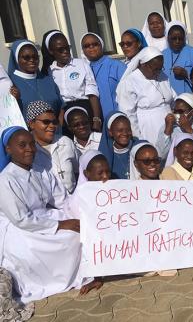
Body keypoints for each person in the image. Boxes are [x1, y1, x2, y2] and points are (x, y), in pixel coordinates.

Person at [0, 126, 98, 303]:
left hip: (45, 217)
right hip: (20, 229)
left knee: (80, 232)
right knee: (59, 242)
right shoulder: (5, 180)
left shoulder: (41, 170)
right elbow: (21, 219)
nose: (29, 149)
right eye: (22, 145)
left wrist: (78, 215)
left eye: (32, 144)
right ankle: (70, 279)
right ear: (8, 149)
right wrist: (61, 225)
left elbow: (62, 199)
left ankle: (91, 271)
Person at [41, 30, 102, 132]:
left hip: (85, 109)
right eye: (60, 50)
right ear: (51, 51)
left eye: (67, 48)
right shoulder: (49, 71)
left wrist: (96, 120)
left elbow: (92, 92)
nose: (65, 51)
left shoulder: (81, 64)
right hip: (62, 114)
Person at [116, 47, 176, 145]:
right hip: (149, 129)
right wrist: (137, 137)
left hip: (170, 126)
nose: (158, 72)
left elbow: (173, 97)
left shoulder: (162, 75)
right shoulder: (129, 82)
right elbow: (128, 113)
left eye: (160, 68)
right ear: (143, 64)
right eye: (155, 69)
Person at [27, 101, 79, 193]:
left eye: (54, 122)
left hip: (74, 200)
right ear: (32, 124)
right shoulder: (28, 150)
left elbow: (77, 170)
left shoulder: (66, 142)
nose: (52, 126)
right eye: (46, 122)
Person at [7, 39, 63, 119]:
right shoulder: (11, 83)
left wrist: (59, 128)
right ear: (17, 59)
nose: (32, 60)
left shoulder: (47, 80)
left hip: (55, 130)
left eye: (35, 57)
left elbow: (61, 107)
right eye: (26, 57)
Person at [80, 33, 126, 117]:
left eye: (95, 44)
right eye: (87, 46)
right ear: (83, 50)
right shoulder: (82, 69)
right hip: (93, 121)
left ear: (101, 45)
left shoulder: (117, 66)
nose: (91, 47)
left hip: (117, 118)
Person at [161, 93, 193, 160]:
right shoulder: (169, 126)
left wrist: (190, 130)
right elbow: (161, 155)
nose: (177, 114)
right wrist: (167, 131)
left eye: (181, 111)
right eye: (175, 111)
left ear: (192, 112)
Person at [162, 21, 193, 95]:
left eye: (180, 38)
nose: (177, 41)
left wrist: (186, 74)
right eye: (174, 38)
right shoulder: (162, 55)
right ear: (168, 38)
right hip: (169, 99)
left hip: (189, 98)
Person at [98, 111, 137, 179]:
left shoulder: (138, 148)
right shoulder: (105, 155)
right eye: (120, 130)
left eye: (128, 129)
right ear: (110, 132)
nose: (125, 133)